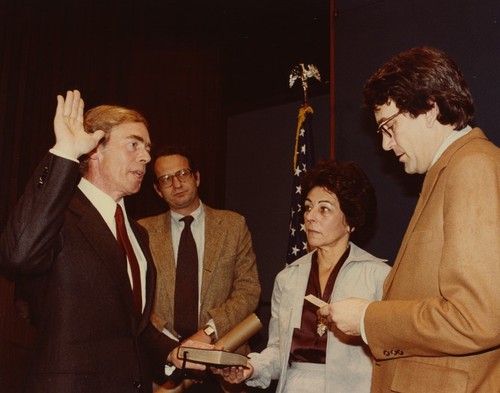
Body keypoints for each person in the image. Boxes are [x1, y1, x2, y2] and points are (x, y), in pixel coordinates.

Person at [0, 90, 212, 393]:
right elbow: (18, 253)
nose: (146, 157)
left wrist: (171, 352)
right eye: (134, 144)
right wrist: (64, 152)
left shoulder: (138, 234)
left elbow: (129, 327)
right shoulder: (59, 213)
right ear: (96, 149)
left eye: (147, 147)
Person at [319, 46, 500, 392]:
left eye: (390, 127)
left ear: (430, 109)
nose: (387, 146)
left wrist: (368, 319)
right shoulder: (449, 171)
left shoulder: (472, 167)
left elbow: (478, 317)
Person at [214, 159, 391, 392]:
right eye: (308, 207)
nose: (310, 217)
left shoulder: (379, 276)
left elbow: (390, 354)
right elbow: (278, 352)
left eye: (324, 209)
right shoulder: (287, 279)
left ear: (350, 220)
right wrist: (251, 367)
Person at [138, 146, 261, 392]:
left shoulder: (233, 225)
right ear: (157, 190)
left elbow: (248, 291)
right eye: (166, 179)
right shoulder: (142, 231)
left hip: (222, 363)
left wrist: (206, 334)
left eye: (182, 174)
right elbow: (136, 296)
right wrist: (169, 344)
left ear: (197, 177)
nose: (176, 183)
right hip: (162, 368)